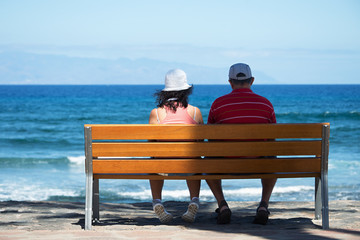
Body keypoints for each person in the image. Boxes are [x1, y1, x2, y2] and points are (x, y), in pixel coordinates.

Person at [206, 63, 277, 225]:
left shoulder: (218, 104)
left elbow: (210, 139)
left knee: (206, 159)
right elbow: (273, 140)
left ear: (230, 82)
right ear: (252, 80)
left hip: (226, 164)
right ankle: (263, 205)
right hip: (258, 164)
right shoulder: (265, 104)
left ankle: (222, 205)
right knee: (273, 156)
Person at [148, 69, 204, 224]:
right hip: (189, 165)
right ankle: (194, 200)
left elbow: (151, 143)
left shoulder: (156, 113)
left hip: (163, 165)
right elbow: (201, 142)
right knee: (196, 158)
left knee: (153, 161)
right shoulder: (194, 112)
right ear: (186, 90)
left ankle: (157, 201)